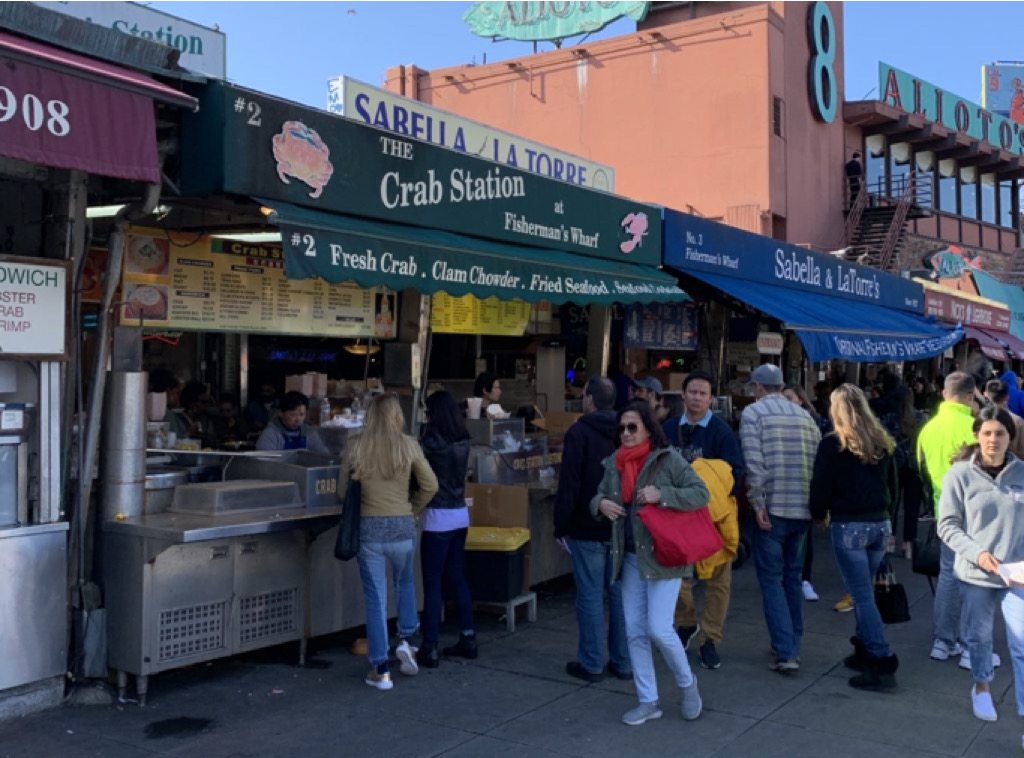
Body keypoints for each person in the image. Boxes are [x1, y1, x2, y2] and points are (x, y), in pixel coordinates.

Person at [591, 401, 710, 726]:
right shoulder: (614, 464)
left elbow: (701, 493)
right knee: (635, 631)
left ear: (647, 428)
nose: (626, 433)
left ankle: (687, 685)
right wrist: (600, 503)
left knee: (659, 628)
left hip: (663, 557)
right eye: (622, 428)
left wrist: (664, 494)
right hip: (628, 557)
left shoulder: (667, 459)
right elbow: (598, 494)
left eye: (633, 427)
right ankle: (648, 700)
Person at [338, 394, 439, 690]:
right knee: (405, 583)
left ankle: (381, 670)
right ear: (397, 416)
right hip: (403, 527)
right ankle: (406, 641)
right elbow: (431, 485)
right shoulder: (409, 444)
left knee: (376, 599)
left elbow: (343, 493)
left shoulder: (355, 445)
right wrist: (412, 509)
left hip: (369, 530)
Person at [939, 406, 1024, 734]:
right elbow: (947, 525)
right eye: (987, 433)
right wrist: (977, 554)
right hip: (976, 574)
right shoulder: (960, 474)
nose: (993, 439)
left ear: (1010, 438)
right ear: (977, 435)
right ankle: (982, 686)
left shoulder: (1021, 473)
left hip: (1016, 575)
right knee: (979, 636)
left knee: (1020, 645)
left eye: (1000, 433)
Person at [810, 385, 900, 691]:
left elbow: (821, 486)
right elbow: (894, 485)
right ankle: (865, 650)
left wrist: (817, 513)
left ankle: (881, 656)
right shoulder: (882, 441)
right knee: (866, 593)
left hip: (849, 525)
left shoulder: (832, 445)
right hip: (879, 521)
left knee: (861, 595)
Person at [740, 364, 821, 674]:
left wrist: (756, 502)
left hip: (773, 508)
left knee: (772, 580)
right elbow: (816, 465)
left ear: (759, 388)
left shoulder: (754, 414)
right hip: (802, 508)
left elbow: (754, 462)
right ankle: (791, 643)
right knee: (792, 577)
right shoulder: (805, 417)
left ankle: (785, 650)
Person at [553, 376, 631, 683]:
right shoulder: (628, 430)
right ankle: (623, 661)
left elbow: (569, 483)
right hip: (621, 525)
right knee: (619, 596)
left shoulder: (579, 432)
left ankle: (592, 661)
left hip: (588, 526)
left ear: (589, 399)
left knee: (589, 596)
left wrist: (561, 524)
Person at [665, 370, 744, 670]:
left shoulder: (722, 432)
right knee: (677, 578)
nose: (697, 397)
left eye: (703, 393)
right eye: (692, 392)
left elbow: (736, 473)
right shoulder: (670, 428)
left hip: (715, 519)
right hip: (677, 518)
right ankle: (685, 623)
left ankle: (710, 639)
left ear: (712, 399)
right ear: (682, 395)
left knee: (718, 581)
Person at [917, 372, 979, 666]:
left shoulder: (928, 429)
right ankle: (969, 645)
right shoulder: (975, 428)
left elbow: (921, 473)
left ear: (943, 394)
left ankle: (943, 641)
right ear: (971, 395)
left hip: (944, 512)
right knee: (975, 580)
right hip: (976, 515)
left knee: (947, 577)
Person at [417, 391, 477, 668]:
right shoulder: (464, 441)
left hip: (436, 516)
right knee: (458, 577)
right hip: (459, 513)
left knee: (433, 583)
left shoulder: (430, 443)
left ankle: (430, 645)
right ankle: (469, 636)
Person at [781, 384, 827, 604]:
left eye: (790, 397)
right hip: (785, 486)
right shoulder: (778, 423)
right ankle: (791, 579)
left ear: (800, 399)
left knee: (804, 538)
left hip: (804, 485)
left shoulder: (813, 423)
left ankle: (805, 579)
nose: (786, 402)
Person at [255, 391, 330, 454]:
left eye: (302, 414)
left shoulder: (309, 432)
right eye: (292, 414)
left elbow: (324, 457)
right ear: (280, 413)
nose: (298, 419)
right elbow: (264, 465)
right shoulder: (270, 435)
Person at [984, 380, 1024, 459]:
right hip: (1013, 466)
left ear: (985, 394)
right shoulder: (1018, 421)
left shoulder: (981, 419)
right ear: (1007, 397)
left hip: (987, 467)